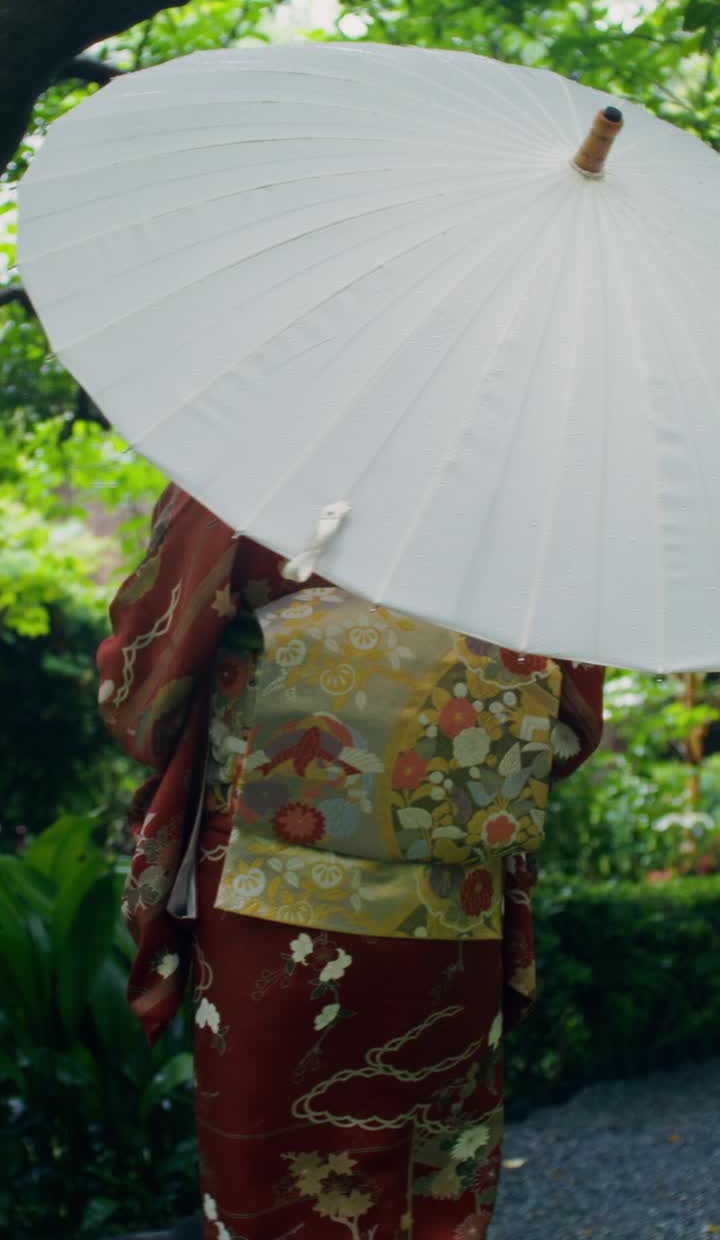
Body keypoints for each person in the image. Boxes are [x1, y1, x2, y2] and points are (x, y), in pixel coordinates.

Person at [97, 483, 604, 1240]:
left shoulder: (264, 459)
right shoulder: (527, 483)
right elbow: (568, 722)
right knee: (428, 1176)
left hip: (268, 882)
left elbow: (144, 683)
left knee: (273, 1181)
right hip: (449, 885)